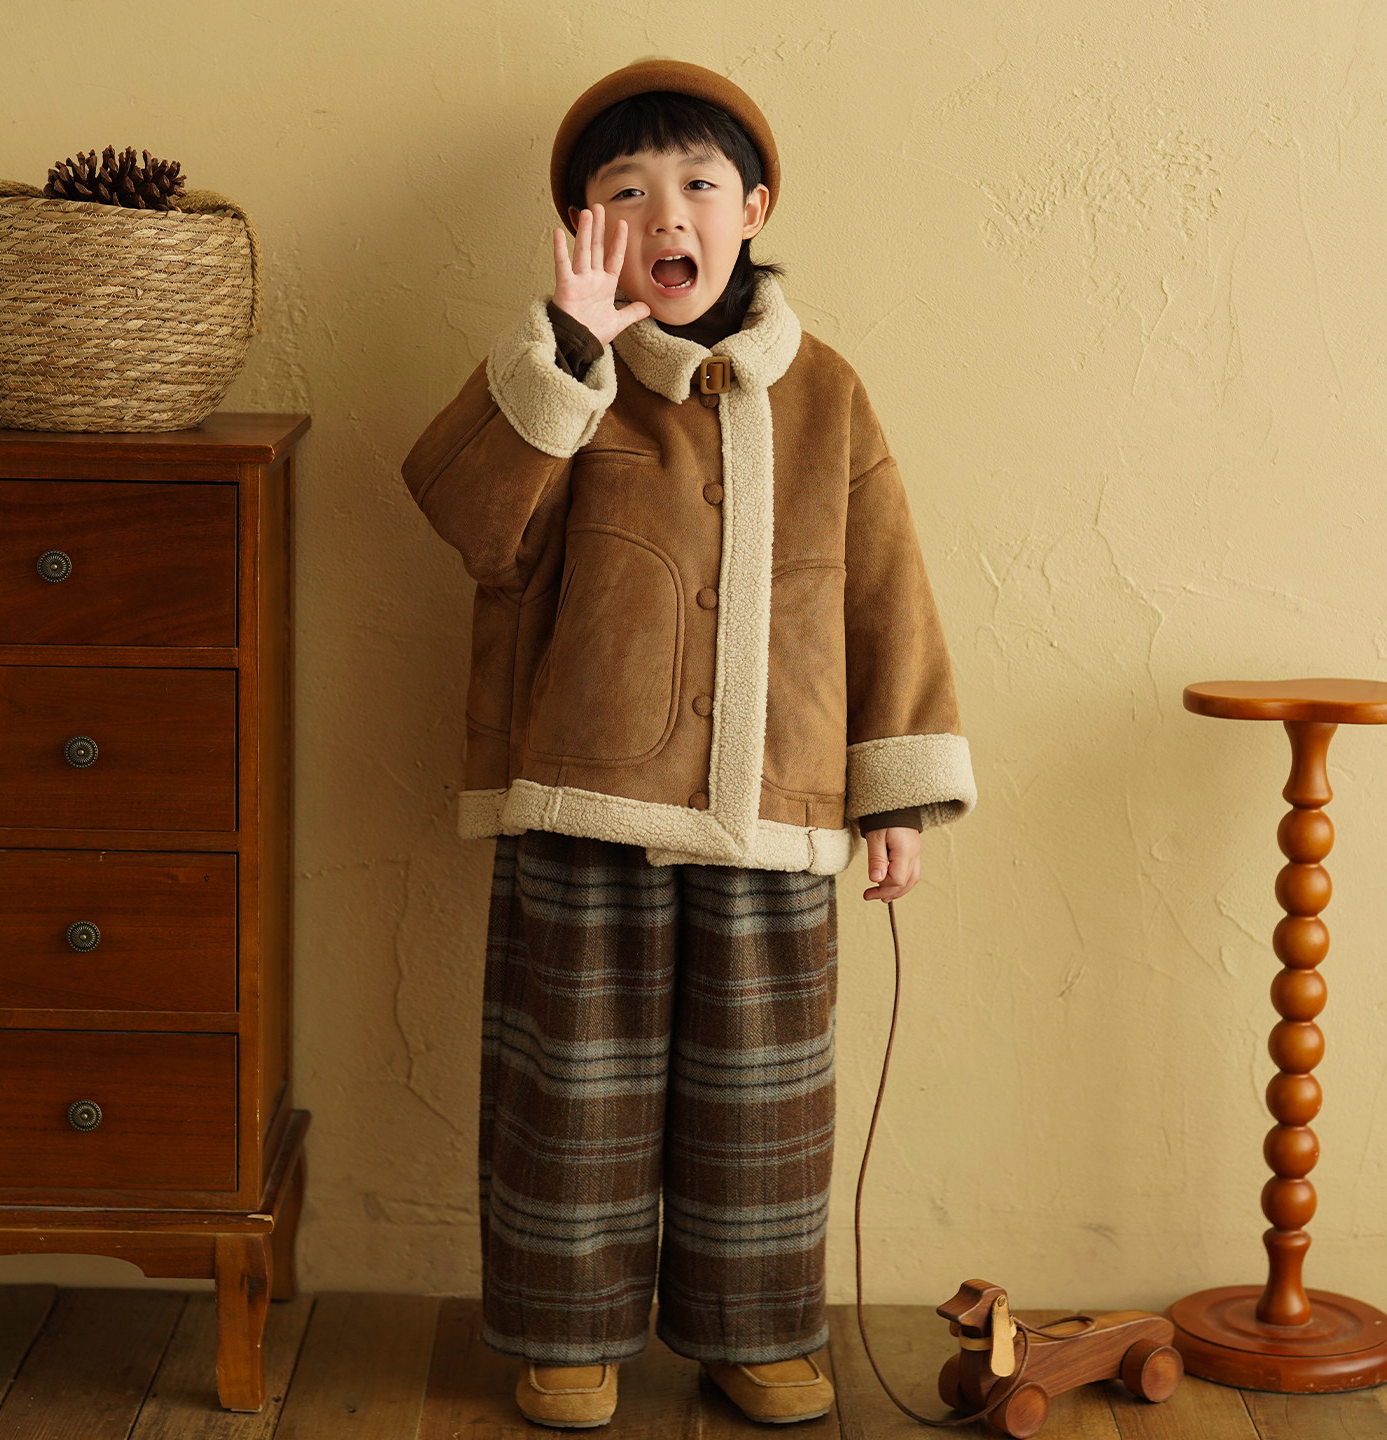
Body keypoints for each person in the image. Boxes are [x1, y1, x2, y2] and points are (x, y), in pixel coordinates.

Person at [400, 56, 975, 1428]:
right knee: (571, 1090)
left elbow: (887, 593)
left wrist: (894, 796)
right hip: (584, 801)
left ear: (753, 208)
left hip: (777, 810)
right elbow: (473, 526)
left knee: (760, 1106)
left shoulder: (828, 395)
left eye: (698, 185)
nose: (666, 214)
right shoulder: (564, 379)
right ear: (585, 228)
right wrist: (565, 352)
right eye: (626, 192)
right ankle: (567, 1336)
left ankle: (754, 1333)